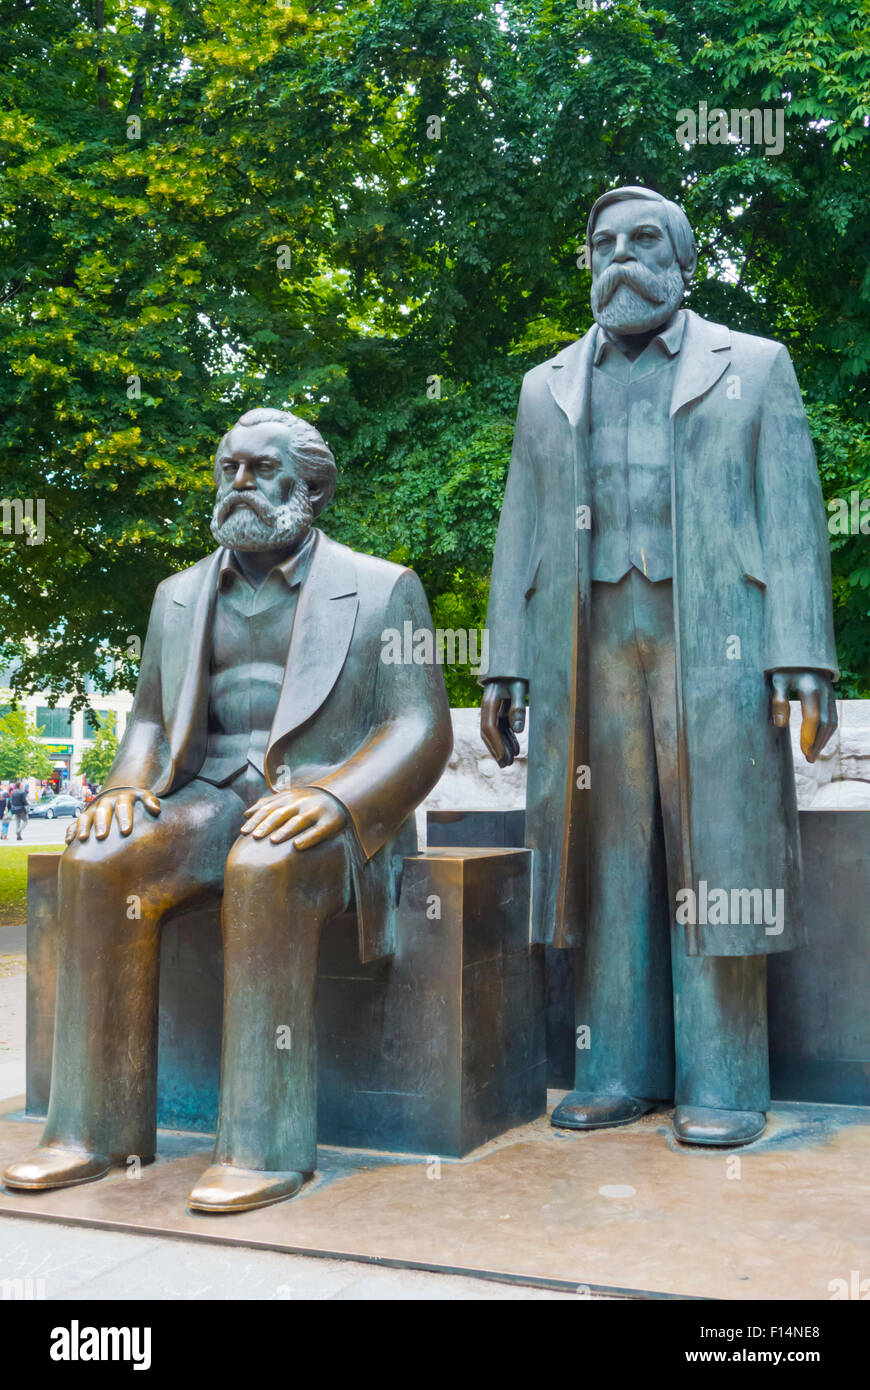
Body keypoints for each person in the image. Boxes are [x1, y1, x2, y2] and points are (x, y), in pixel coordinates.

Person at [3, 407, 452, 1212]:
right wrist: (122, 788)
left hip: (320, 810)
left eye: (261, 469)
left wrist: (338, 799)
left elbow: (418, 729)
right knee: (98, 859)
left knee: (265, 864)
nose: (238, 483)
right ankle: (91, 1132)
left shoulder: (386, 589)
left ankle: (262, 1146)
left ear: (311, 489)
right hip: (205, 801)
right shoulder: (176, 596)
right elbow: (147, 719)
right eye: (227, 468)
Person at [481, 185, 837, 1149]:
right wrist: (502, 664)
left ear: (686, 267)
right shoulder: (545, 385)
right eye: (605, 244)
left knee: (719, 851)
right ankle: (615, 1068)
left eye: (646, 243)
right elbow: (520, 528)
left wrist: (802, 650)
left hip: (714, 630)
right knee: (604, 856)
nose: (622, 258)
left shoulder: (754, 367)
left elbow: (793, 511)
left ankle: (724, 1081)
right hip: (585, 639)